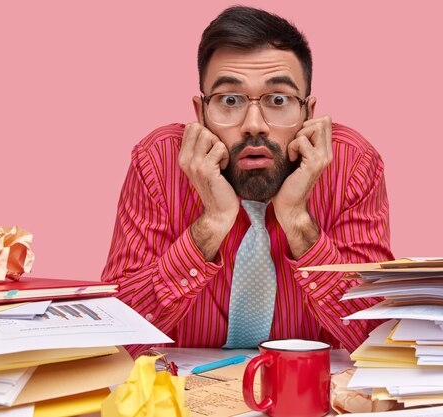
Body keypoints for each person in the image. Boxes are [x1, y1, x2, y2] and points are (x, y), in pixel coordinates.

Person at [101, 6, 393, 357]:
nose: (254, 124)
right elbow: (113, 338)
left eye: (279, 100)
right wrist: (210, 225)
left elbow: (378, 339)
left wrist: (299, 223)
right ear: (200, 113)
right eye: (230, 100)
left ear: (308, 113)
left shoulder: (351, 165)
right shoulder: (159, 163)